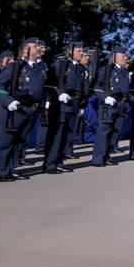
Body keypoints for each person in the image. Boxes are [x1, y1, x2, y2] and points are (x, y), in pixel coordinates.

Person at [0, 38, 49, 181]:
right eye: (34, 46)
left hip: (30, 110)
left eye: (39, 46)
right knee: (5, 141)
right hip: (14, 110)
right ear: (25, 50)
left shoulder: (41, 68)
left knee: (19, 142)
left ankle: (10, 170)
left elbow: (42, 89)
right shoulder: (15, 66)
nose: (39, 48)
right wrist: (9, 101)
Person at [45, 41, 87, 172]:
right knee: (57, 135)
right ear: (70, 51)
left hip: (74, 104)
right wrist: (59, 94)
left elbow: (82, 88)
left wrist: (81, 105)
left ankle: (59, 162)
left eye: (82, 51)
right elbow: (50, 83)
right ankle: (50, 165)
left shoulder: (80, 68)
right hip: (61, 104)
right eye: (79, 51)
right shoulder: (60, 65)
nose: (82, 53)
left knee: (67, 136)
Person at [90, 47, 132, 166]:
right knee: (103, 132)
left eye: (125, 55)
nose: (125, 58)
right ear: (114, 56)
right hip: (108, 106)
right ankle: (98, 159)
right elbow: (96, 87)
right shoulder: (106, 70)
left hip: (121, 105)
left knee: (114, 133)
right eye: (123, 55)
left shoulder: (124, 71)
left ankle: (106, 156)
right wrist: (105, 97)